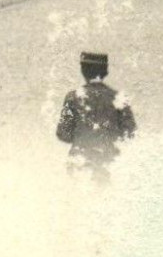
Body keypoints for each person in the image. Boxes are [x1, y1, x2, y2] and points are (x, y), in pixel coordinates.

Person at [56, 50, 136, 179]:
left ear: (83, 71)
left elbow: (63, 133)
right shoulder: (120, 98)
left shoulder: (73, 97)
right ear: (106, 71)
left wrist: (83, 136)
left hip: (80, 160)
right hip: (110, 162)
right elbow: (130, 133)